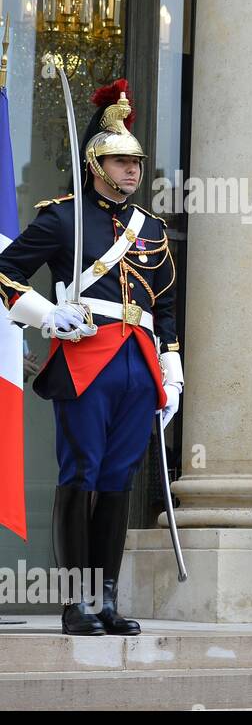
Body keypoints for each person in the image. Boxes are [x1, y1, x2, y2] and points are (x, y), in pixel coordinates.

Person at [0, 79, 181, 636]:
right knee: (81, 472)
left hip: (138, 363)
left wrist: (171, 372)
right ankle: (75, 601)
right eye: (121, 161)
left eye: (136, 162)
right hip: (86, 357)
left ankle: (105, 597)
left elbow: (167, 305)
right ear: (95, 163)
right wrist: (47, 316)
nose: (132, 171)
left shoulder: (151, 230)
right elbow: (6, 273)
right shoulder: (62, 217)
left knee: (119, 480)